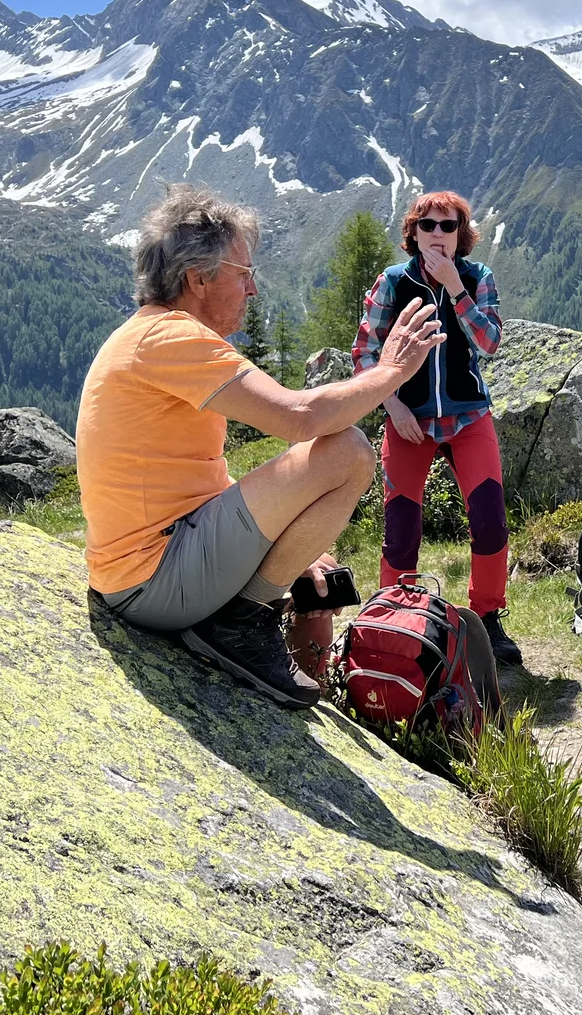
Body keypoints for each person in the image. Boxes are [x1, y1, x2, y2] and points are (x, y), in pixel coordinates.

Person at [77, 184, 445, 710]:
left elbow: (194, 475)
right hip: (156, 578)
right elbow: (301, 419)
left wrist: (301, 549)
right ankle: (242, 621)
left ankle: (290, 664)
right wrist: (391, 371)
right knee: (348, 453)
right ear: (198, 278)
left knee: (321, 578)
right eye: (243, 274)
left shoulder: (150, 336)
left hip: (148, 568)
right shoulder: (172, 338)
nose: (252, 291)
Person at [354, 190, 522, 666]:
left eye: (449, 227)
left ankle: (487, 619)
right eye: (427, 226)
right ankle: (393, 618)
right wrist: (394, 407)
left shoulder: (476, 278)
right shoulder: (392, 282)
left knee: (489, 518)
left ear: (461, 235)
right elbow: (365, 354)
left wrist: (455, 288)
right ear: (413, 233)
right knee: (401, 526)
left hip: (468, 416)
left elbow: (489, 342)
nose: (438, 235)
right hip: (409, 421)